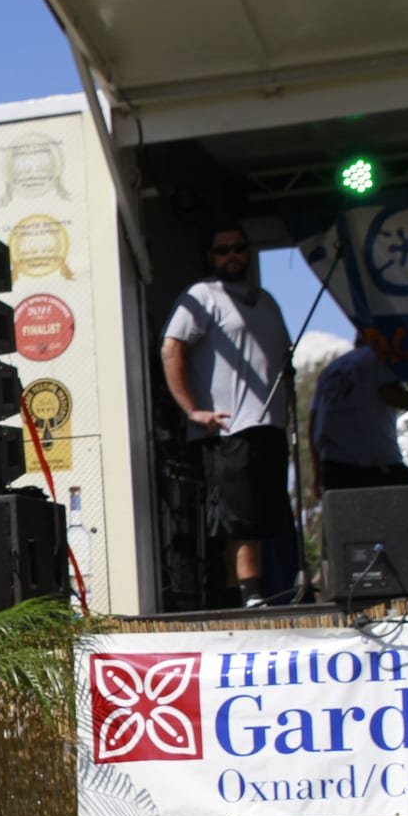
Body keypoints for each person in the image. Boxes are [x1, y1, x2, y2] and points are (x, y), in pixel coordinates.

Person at [160, 223, 295, 608]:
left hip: (268, 425)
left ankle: (265, 587)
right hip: (227, 427)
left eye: (239, 248)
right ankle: (246, 595)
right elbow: (172, 348)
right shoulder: (202, 296)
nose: (232, 256)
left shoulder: (265, 300)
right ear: (210, 256)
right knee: (238, 518)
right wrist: (192, 409)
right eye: (223, 250)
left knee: (269, 513)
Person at [309, 337, 408, 493]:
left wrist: (318, 471)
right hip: (375, 461)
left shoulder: (329, 370)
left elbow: (313, 423)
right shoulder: (377, 357)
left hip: (334, 463)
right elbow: (390, 393)